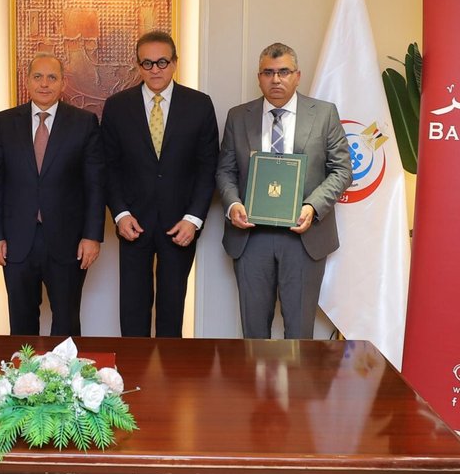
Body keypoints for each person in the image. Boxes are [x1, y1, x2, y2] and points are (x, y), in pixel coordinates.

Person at [215, 42, 352, 339]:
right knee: (253, 332)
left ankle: (297, 376)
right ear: (259, 77)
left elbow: (342, 170)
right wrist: (233, 204)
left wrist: (312, 207)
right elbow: (225, 171)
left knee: (300, 332)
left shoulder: (324, 114)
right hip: (251, 236)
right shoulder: (238, 116)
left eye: (284, 72)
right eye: (268, 72)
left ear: (297, 76)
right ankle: (256, 374)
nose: (276, 79)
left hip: (303, 236)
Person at [99, 30, 218, 337]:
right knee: (133, 313)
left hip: (180, 225)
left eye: (162, 62)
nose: (155, 70)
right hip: (133, 224)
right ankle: (133, 368)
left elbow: (208, 168)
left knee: (172, 312)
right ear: (138, 66)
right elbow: (109, 167)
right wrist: (121, 214)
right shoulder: (117, 106)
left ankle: (169, 370)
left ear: (175, 62)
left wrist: (193, 219)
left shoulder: (199, 105)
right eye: (147, 63)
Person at [0, 53, 105, 336]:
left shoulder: (84, 123)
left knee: (66, 323)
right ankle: (25, 369)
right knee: (21, 324)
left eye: (52, 77)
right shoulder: (4, 123)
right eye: (38, 77)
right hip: (16, 241)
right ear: (27, 81)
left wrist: (92, 236)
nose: (44, 84)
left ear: (63, 83)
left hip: (68, 240)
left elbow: (95, 185)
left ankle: (64, 369)